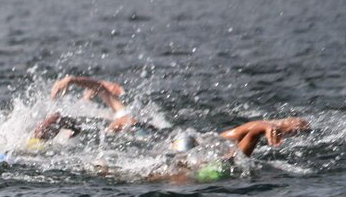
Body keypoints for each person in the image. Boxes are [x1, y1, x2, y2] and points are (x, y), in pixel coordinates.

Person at [162, 117, 310, 182]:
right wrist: (258, 130)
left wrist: (272, 125)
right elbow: (235, 157)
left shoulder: (210, 144)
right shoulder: (202, 172)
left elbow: (240, 132)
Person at [32, 75, 142, 142]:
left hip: (99, 135)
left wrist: (71, 80)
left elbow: (100, 86)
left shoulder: (123, 112)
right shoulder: (99, 112)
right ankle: (34, 142)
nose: (112, 86)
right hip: (89, 135)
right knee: (55, 119)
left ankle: (35, 142)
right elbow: (99, 87)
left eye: (113, 86)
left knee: (56, 119)